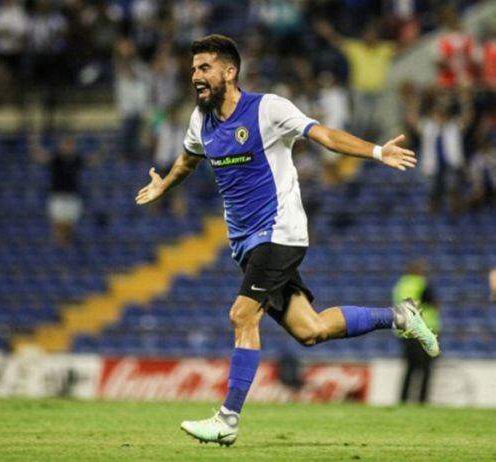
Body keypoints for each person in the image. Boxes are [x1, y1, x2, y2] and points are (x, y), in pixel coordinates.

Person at [134, 34, 438, 446]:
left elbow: (323, 134)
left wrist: (377, 151)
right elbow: (189, 157)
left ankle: (227, 420)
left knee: (242, 315)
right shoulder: (199, 121)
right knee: (310, 330)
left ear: (230, 71)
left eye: (204, 68)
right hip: (246, 244)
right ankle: (399, 317)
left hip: (280, 232)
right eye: (193, 70)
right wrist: (164, 186)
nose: (195, 77)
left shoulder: (268, 109)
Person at [314, 21, 396, 140]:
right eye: (367, 34)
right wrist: (328, 32)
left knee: (376, 123)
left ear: (377, 36)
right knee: (359, 121)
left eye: (373, 34)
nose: (370, 37)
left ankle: (369, 148)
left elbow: (403, 47)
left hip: (379, 92)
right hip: (360, 91)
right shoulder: (356, 47)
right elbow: (338, 41)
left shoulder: (384, 48)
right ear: (363, 35)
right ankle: (354, 145)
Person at [393, 260, 440, 404]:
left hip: (406, 332)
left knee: (410, 368)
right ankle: (422, 400)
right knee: (426, 368)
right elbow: (433, 303)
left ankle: (403, 399)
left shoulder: (400, 285)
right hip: (425, 330)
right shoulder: (422, 284)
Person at [32, 134, 84, 247]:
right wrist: (34, 144)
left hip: (69, 198)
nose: (68, 148)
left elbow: (93, 160)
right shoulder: (56, 159)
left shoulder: (76, 159)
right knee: (63, 220)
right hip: (59, 197)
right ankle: (63, 237)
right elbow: (40, 156)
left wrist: (103, 149)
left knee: (64, 220)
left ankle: (64, 237)